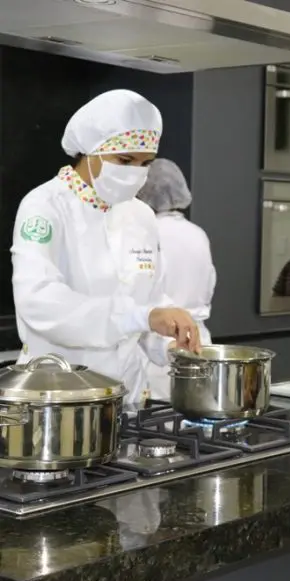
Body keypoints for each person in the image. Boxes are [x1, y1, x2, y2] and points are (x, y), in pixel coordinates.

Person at [11, 89, 200, 411]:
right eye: (124, 160)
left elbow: (151, 300)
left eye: (145, 163)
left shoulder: (140, 215)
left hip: (127, 396)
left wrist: (170, 342)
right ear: (91, 150)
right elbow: (40, 302)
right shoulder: (44, 206)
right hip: (61, 400)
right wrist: (142, 316)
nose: (135, 172)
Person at [138, 158, 216, 400]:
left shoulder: (146, 234)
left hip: (158, 349)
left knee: (159, 432)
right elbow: (209, 284)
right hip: (198, 343)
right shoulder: (197, 233)